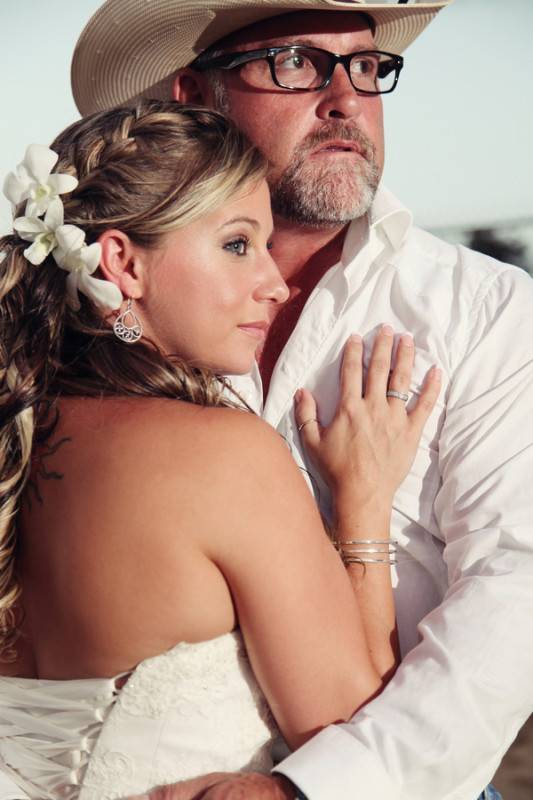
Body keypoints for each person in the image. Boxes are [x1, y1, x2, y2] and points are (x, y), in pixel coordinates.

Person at [67, 1, 533, 799]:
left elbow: (514, 584)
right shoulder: (107, 317)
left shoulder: (485, 309)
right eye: (293, 63)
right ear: (192, 93)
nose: (345, 99)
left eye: (364, 66)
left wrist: (313, 790)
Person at [0, 101, 439, 798]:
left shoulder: (15, 439)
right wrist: (362, 508)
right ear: (121, 263)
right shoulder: (225, 458)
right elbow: (355, 745)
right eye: (237, 244)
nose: (275, 280)